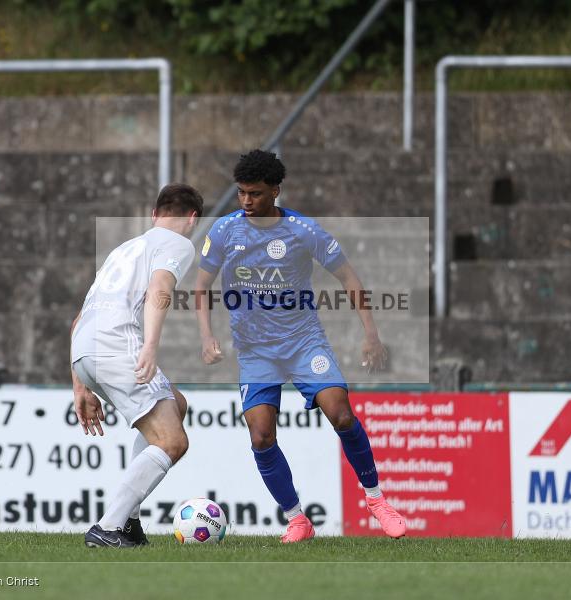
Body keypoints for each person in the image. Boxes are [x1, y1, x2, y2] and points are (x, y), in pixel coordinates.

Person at [193, 149, 407, 543]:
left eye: (255, 193)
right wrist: (206, 336)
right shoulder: (224, 231)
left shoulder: (303, 231)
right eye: (241, 193)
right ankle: (297, 520)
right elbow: (201, 286)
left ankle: (377, 500)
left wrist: (371, 335)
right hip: (255, 351)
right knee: (261, 436)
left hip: (304, 343)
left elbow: (349, 278)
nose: (246, 201)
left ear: (275, 191)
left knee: (341, 415)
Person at [70, 183, 202, 548]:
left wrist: (80, 384)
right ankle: (108, 527)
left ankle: (128, 522)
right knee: (173, 441)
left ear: (154, 214)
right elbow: (161, 289)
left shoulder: (124, 249)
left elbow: (79, 318)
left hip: (85, 349)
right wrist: (150, 346)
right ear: (192, 218)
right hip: (116, 346)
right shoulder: (179, 243)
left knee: (175, 403)